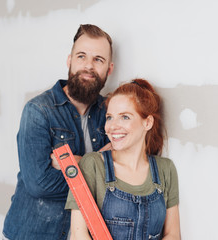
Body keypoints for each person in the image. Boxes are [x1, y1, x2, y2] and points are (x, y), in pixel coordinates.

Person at [2, 24, 114, 240]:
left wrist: (74, 164)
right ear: (69, 60)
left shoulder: (110, 112)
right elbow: (39, 184)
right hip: (35, 234)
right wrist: (100, 165)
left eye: (98, 60)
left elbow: (125, 172)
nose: (88, 66)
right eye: (81, 56)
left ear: (109, 69)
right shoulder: (38, 111)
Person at [65, 79, 181, 239]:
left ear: (147, 123)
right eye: (110, 117)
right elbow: (79, 236)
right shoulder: (92, 165)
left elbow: (173, 234)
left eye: (125, 117)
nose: (112, 126)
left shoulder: (165, 169)